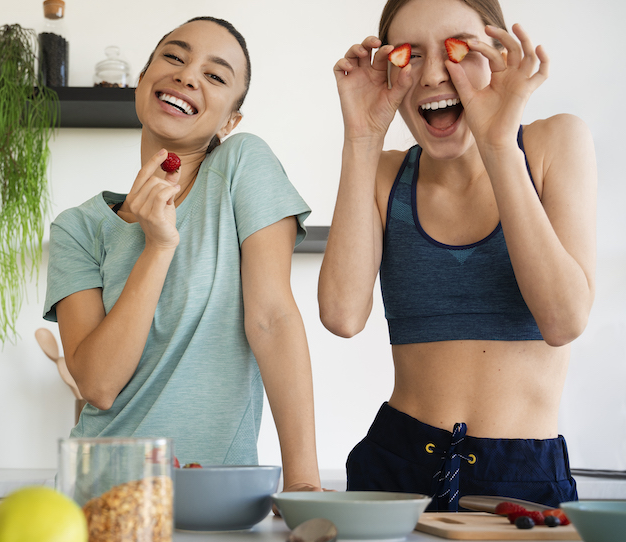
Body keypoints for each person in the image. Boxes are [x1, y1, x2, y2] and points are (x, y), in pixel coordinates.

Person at [319, 0, 596, 510]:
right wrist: (361, 136)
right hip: (396, 464)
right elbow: (341, 315)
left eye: (457, 50)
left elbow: (563, 319)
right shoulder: (385, 174)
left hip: (522, 474)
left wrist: (496, 143)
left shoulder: (555, 142)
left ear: (499, 54)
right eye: (410, 55)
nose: (432, 75)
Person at [43, 17, 323, 492]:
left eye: (215, 76)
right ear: (142, 80)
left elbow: (272, 319)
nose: (187, 76)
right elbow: (97, 385)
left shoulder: (242, 165)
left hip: (215, 494)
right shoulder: (78, 227)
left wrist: (304, 483)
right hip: (98, 491)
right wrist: (158, 247)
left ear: (230, 120)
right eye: (173, 57)